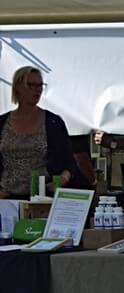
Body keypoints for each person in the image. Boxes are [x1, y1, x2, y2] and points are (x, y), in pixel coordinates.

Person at [0, 66, 83, 197]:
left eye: (40, 85)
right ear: (17, 87)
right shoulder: (2, 123)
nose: (37, 89)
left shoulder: (53, 122)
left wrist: (63, 179)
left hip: (43, 198)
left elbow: (70, 162)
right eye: (31, 85)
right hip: (6, 198)